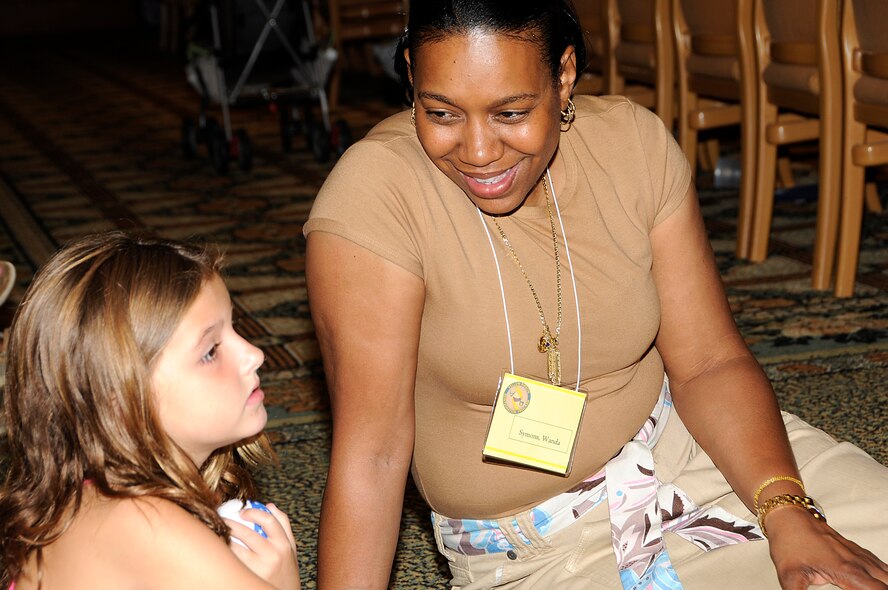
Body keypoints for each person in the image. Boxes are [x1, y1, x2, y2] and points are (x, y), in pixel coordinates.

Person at [303, 1, 888, 589]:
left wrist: (786, 510)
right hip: (540, 552)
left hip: (700, 454)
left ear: (563, 76)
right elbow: (372, 459)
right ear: (410, 73)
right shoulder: (376, 197)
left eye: (511, 112)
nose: (478, 150)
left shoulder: (631, 144)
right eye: (442, 112)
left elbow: (710, 363)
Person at [0, 232, 301, 590]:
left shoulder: (92, 497)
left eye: (235, 327)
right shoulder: (149, 525)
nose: (255, 354)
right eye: (210, 351)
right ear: (121, 400)